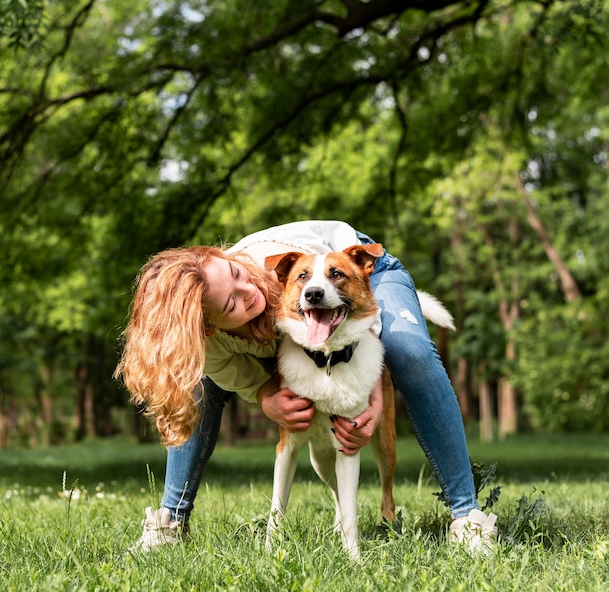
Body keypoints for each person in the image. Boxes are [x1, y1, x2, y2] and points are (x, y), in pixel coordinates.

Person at [115, 220, 497, 554]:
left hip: (358, 270)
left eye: (235, 273)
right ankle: (170, 520)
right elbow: (241, 374)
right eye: (231, 304)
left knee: (410, 352)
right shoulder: (209, 343)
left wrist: (374, 398)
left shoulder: (282, 267)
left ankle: (467, 516)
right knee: (199, 383)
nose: (247, 291)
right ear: (208, 328)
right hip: (312, 321)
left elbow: (355, 310)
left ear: (226, 258)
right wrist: (267, 397)